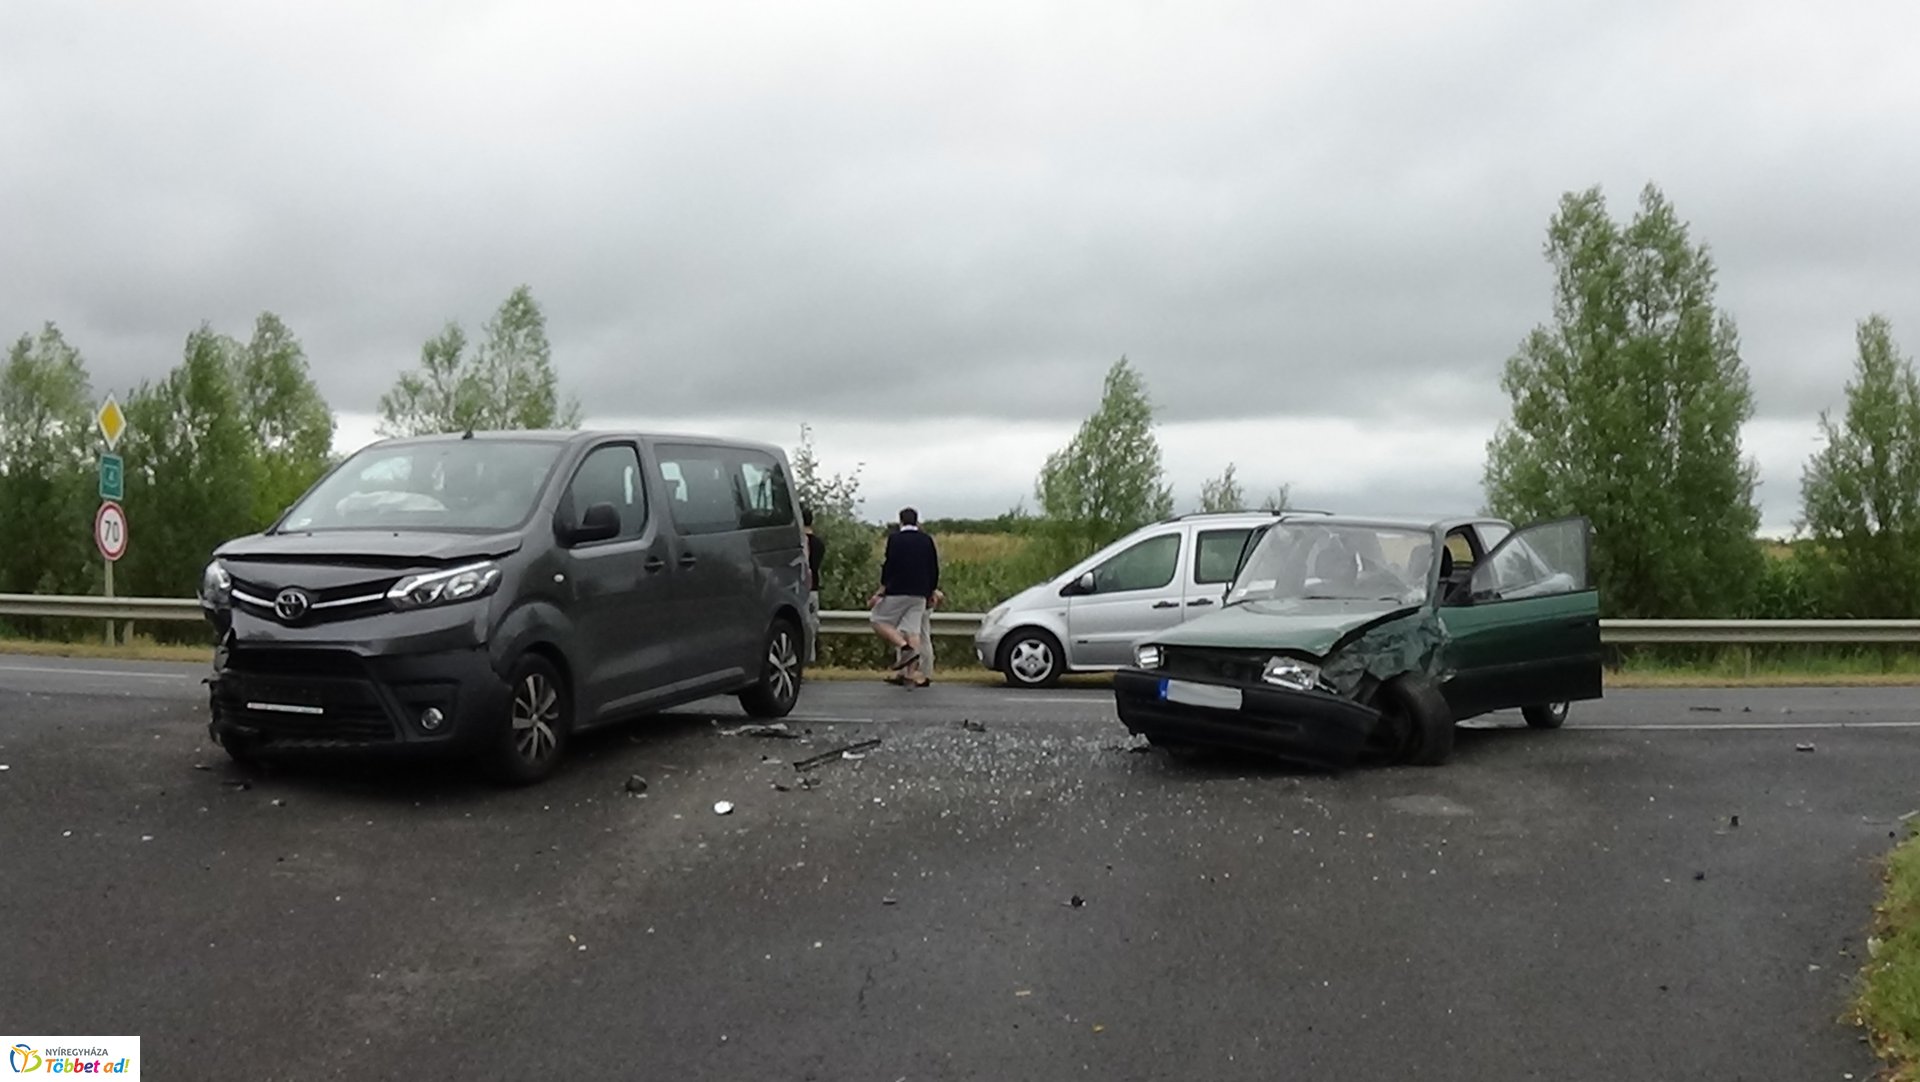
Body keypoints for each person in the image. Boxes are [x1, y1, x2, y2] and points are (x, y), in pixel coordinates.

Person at [869, 507, 939, 687]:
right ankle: (910, 674)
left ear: (901, 521)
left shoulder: (895, 539)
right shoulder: (926, 540)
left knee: (878, 620)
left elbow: (889, 565)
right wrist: (931, 590)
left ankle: (904, 647)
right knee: (913, 631)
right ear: (916, 521)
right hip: (920, 592)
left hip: (898, 590)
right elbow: (933, 567)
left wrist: (882, 588)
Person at [802, 507, 826, 663]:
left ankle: (804, 656)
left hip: (802, 587)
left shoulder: (799, 543)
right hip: (814, 587)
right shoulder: (819, 543)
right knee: (812, 622)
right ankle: (811, 656)